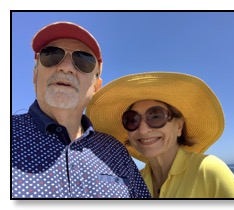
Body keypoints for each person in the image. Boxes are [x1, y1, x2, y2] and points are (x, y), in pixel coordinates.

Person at [12, 21, 151, 199]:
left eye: (83, 60)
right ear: (35, 74)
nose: (66, 67)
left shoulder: (116, 152)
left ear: (96, 86)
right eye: (52, 55)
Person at [86, 72, 234, 198]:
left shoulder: (208, 170)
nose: (143, 129)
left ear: (178, 126)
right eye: (132, 120)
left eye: (155, 116)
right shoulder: (135, 181)